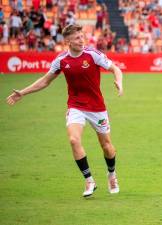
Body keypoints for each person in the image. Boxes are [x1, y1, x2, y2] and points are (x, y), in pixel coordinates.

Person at [6, 24, 123, 198]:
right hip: (75, 106)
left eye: (82, 36)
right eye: (77, 38)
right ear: (67, 41)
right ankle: (89, 180)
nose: (81, 40)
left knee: (106, 146)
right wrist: (22, 93)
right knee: (74, 140)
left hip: (97, 108)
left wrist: (119, 82)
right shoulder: (61, 60)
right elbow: (45, 81)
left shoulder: (92, 55)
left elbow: (115, 68)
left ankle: (112, 174)